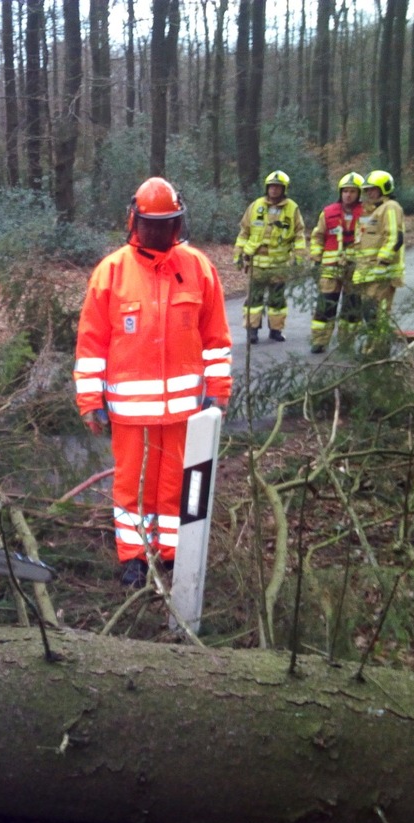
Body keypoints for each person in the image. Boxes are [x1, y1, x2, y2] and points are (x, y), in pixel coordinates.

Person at [74, 177, 233, 588]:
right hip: (130, 416)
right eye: (152, 225)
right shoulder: (110, 273)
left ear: (178, 223)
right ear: (134, 222)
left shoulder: (198, 267)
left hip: (185, 412)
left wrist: (218, 392)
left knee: (176, 484)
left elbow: (215, 338)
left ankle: (174, 552)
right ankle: (134, 556)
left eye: (168, 225)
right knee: (132, 486)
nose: (161, 233)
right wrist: (91, 400)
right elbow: (91, 343)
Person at [234, 170, 307, 343]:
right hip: (257, 263)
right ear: (267, 187)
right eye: (271, 186)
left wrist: (299, 257)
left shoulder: (292, 208)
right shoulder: (256, 205)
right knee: (254, 299)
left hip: (279, 264)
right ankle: (252, 331)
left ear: (284, 189)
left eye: (278, 187)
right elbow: (244, 231)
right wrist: (238, 253)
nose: (274, 190)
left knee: (277, 300)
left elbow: (299, 234)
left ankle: (276, 330)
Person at [307, 172, 364, 353]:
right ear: (340, 192)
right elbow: (317, 237)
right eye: (345, 191)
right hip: (330, 269)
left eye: (353, 191)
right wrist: (316, 259)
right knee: (325, 305)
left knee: (351, 307)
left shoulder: (367, 213)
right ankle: (319, 341)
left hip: (355, 269)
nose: (348, 195)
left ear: (359, 193)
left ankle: (346, 342)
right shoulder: (328, 212)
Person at [351, 169, 405, 355]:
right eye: (367, 190)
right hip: (368, 272)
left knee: (378, 313)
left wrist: (383, 260)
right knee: (370, 312)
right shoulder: (374, 211)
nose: (369, 193)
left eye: (373, 189)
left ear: (384, 188)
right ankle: (373, 345)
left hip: (382, 273)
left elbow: (395, 237)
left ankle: (379, 348)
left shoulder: (390, 207)